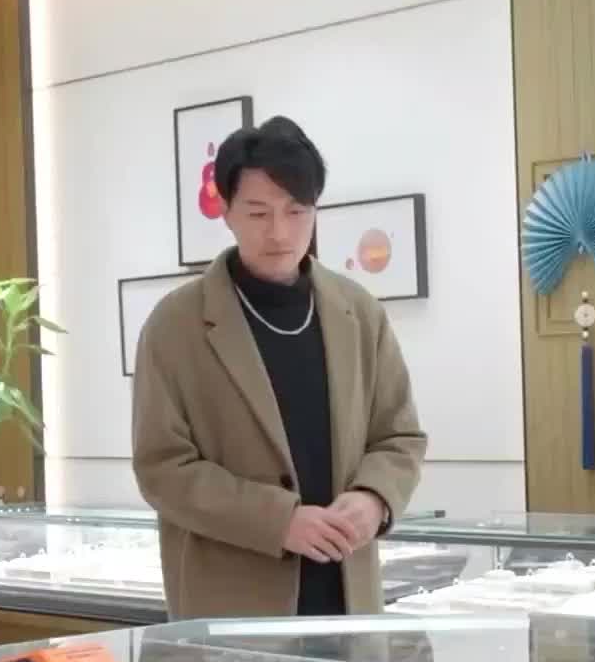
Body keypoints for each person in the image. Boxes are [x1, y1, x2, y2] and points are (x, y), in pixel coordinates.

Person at [132, 116, 426, 619]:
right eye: (258, 213)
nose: (280, 232)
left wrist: (374, 498)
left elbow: (399, 437)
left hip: (348, 600)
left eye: (296, 211)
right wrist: (279, 521)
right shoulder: (176, 324)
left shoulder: (359, 312)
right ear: (226, 212)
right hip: (232, 605)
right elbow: (162, 468)